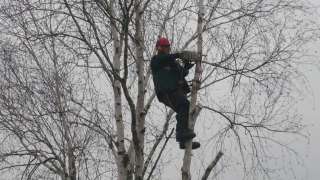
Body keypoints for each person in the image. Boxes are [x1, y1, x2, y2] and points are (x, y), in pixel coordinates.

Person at [150, 37, 201, 150]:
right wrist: (178, 55)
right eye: (164, 47)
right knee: (183, 105)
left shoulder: (172, 62)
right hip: (166, 91)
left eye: (168, 47)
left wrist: (186, 66)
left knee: (186, 109)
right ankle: (181, 134)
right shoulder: (156, 60)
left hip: (175, 90)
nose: (167, 49)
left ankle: (184, 142)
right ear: (159, 48)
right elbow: (165, 59)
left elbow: (181, 73)